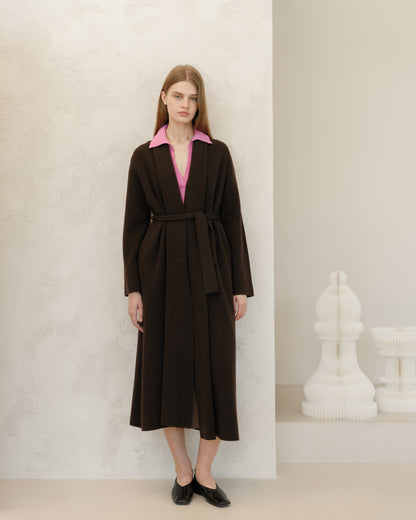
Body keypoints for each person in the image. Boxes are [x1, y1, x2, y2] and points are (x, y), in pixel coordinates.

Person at [122, 64, 254, 507]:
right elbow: (133, 226)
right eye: (178, 95)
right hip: (159, 273)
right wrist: (134, 289)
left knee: (215, 367)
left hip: (212, 268)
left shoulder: (217, 153)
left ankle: (205, 472)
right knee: (168, 369)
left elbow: (233, 220)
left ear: (200, 104)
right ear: (164, 98)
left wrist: (239, 285)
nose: (185, 104)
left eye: (193, 98)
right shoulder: (144, 156)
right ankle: (182, 471)